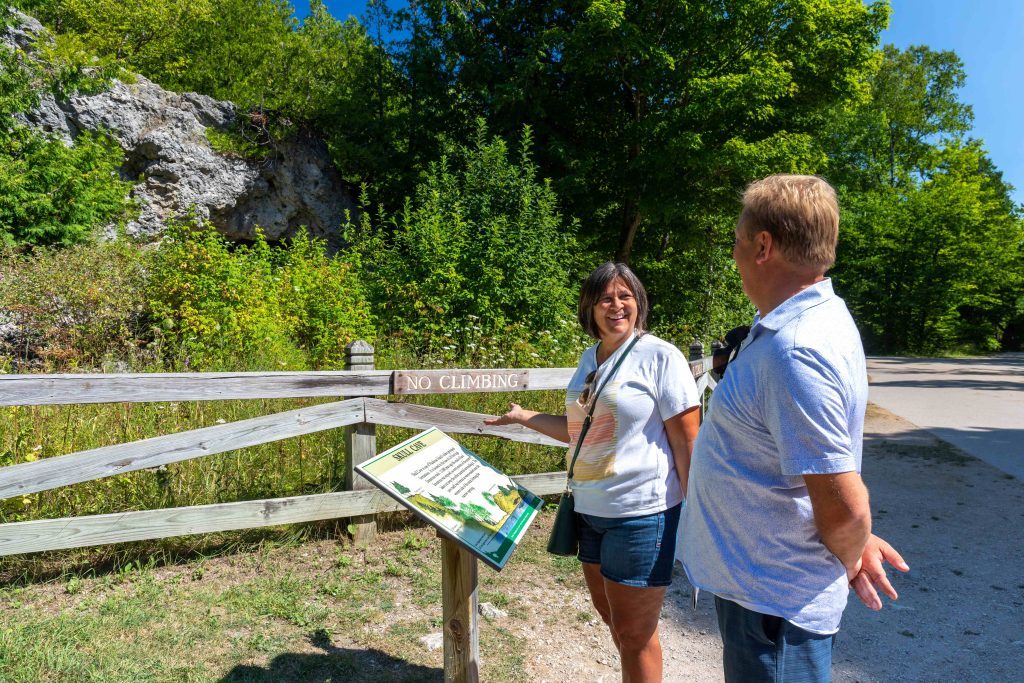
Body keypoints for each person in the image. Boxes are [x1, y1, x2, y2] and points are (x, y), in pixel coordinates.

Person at [679, 174, 909, 682]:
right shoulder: (804, 325)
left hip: (773, 609)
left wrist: (852, 538)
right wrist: (855, 537)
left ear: (763, 246)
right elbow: (826, 473)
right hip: (763, 597)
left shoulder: (797, 349)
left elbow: (847, 508)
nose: (735, 255)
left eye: (738, 242)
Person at [485, 261, 701, 682]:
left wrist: (699, 514)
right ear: (590, 306)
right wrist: (526, 416)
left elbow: (687, 441)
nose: (616, 305)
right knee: (616, 625)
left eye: (625, 296)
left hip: (642, 514)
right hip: (589, 512)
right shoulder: (590, 358)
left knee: (634, 633)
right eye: (606, 298)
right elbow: (581, 432)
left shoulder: (660, 356)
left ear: (639, 303)